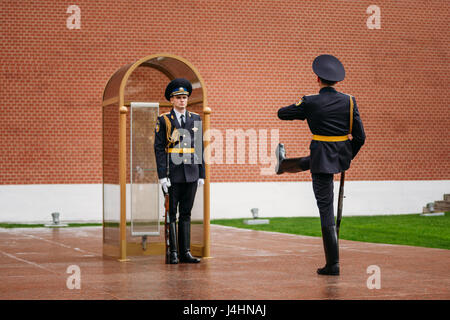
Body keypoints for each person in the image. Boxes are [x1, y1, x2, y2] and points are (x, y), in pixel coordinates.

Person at [276, 54, 366, 275]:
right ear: (337, 81)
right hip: (341, 154)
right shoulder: (350, 101)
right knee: (315, 163)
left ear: (318, 79)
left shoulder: (310, 101)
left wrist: (305, 111)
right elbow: (360, 137)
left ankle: (333, 264)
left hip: (321, 157)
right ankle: (285, 164)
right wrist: (346, 157)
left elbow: (282, 114)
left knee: (326, 208)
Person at [154, 78, 205, 264]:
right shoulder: (164, 120)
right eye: (178, 97)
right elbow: (159, 149)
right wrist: (161, 177)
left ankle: (186, 252)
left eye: (184, 97)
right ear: (172, 100)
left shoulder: (195, 118)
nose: (182, 100)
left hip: (191, 173)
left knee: (186, 213)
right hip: (172, 174)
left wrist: (202, 174)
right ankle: (173, 252)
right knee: (171, 214)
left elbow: (199, 147)